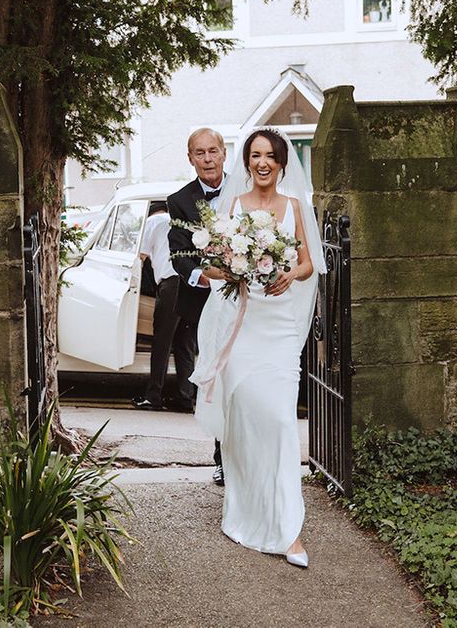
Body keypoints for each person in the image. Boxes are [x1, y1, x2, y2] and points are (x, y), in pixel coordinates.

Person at [191, 127, 325, 569]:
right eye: (255, 155)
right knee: (247, 419)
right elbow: (211, 262)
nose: (262, 162)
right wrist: (230, 270)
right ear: (246, 162)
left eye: (269, 155)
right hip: (245, 325)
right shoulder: (232, 206)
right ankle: (246, 509)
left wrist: (293, 275)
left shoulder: (295, 207)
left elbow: (309, 262)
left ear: (282, 162)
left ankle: (289, 530)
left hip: (281, 328)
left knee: (281, 420)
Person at [167, 128, 228, 485]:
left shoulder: (245, 192)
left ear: (224, 153)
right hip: (207, 305)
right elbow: (179, 255)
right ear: (190, 159)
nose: (207, 159)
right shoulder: (179, 200)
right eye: (199, 153)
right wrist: (204, 276)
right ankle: (221, 458)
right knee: (215, 381)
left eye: (213, 151)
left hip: (246, 303)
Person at [132, 202, 196, 412]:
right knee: (185, 343)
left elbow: (140, 257)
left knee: (162, 341)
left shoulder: (152, 221)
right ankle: (185, 397)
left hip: (171, 285)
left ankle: (153, 395)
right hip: (191, 283)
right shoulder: (182, 222)